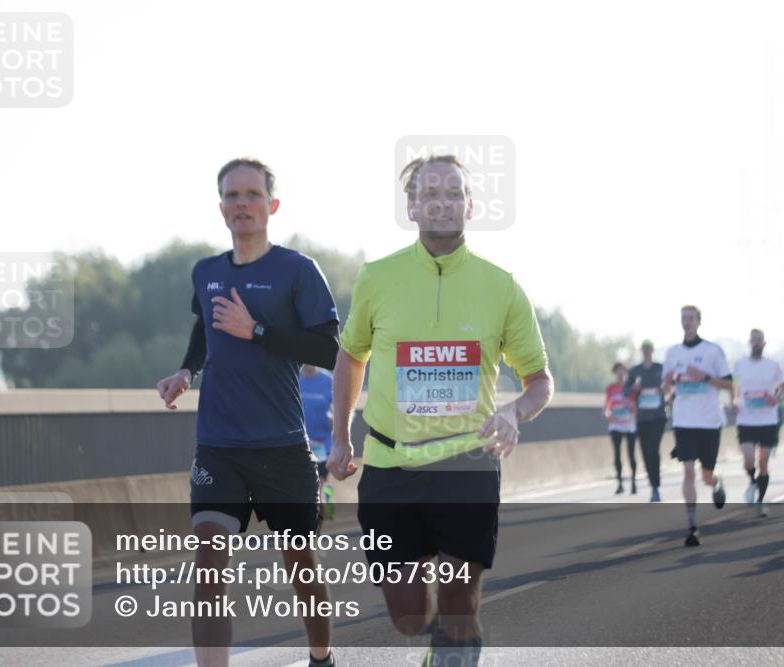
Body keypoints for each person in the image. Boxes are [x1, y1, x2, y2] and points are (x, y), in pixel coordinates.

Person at [328, 154, 554, 667]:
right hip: (390, 465)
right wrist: (340, 436)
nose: (443, 202)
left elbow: (540, 381)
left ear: (470, 206)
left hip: (467, 465)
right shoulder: (377, 277)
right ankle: (439, 644)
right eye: (430, 194)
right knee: (408, 614)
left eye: (453, 193)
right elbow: (350, 354)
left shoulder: (502, 287)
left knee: (457, 601)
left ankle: (455, 651)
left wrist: (515, 413)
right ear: (412, 207)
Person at [155, 158, 340, 667]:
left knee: (301, 566)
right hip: (218, 448)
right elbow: (205, 331)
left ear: (271, 206)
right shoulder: (206, 272)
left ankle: (322, 658)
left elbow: (329, 350)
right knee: (210, 565)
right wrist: (186, 373)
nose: (242, 203)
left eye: (252, 195)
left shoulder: (297, 271)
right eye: (232, 196)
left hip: (282, 446)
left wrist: (255, 330)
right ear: (221, 208)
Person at [662, 305, 731, 547]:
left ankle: (717, 483)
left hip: (709, 421)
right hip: (683, 421)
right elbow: (667, 388)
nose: (686, 322)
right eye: (683, 318)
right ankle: (692, 526)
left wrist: (704, 377)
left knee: (706, 475)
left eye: (690, 318)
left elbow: (729, 385)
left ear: (699, 321)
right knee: (688, 471)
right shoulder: (672, 353)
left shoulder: (712, 351)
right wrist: (668, 386)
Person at [730, 329, 784, 518]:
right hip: (745, 419)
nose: (756, 343)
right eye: (753, 340)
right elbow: (734, 386)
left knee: (763, 461)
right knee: (748, 459)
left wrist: (775, 398)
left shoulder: (773, 365)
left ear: (764, 343)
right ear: (749, 342)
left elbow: (783, 388)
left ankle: (760, 501)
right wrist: (734, 401)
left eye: (759, 340)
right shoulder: (740, 364)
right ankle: (752, 481)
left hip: (768, 420)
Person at [624, 339, 665, 502]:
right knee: (646, 452)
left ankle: (656, 486)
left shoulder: (660, 369)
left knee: (653, 449)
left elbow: (673, 386)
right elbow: (625, 392)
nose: (647, 351)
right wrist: (634, 388)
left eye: (649, 348)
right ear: (642, 351)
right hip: (642, 418)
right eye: (644, 348)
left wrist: (665, 391)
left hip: (658, 417)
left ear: (652, 350)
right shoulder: (635, 371)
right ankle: (653, 485)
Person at [300, 364, 336, 517]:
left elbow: (341, 408)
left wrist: (334, 420)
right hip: (299, 442)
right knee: (304, 482)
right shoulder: (294, 378)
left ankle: (323, 504)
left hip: (323, 443)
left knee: (319, 480)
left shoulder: (329, 380)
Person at [606, 362, 638, 494]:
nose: (620, 374)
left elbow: (636, 405)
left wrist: (630, 408)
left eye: (622, 371)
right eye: (617, 371)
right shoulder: (610, 388)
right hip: (615, 424)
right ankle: (620, 483)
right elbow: (607, 405)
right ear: (615, 373)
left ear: (626, 373)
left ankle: (634, 482)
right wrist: (608, 415)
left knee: (631, 454)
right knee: (617, 454)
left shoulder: (630, 388)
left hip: (629, 423)